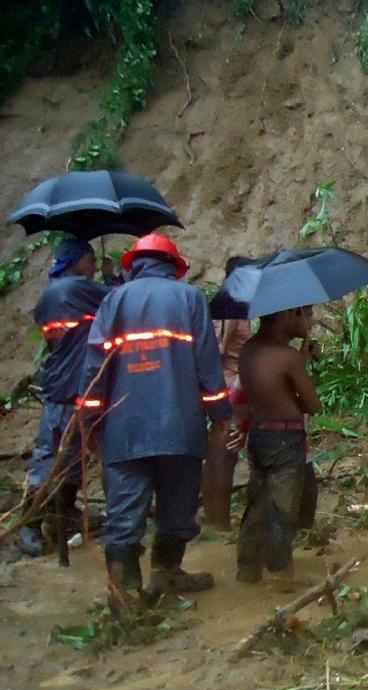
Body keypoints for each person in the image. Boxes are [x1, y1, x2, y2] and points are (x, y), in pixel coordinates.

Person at [79, 233, 232, 610]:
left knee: (125, 511)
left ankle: (126, 591)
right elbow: (207, 365)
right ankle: (167, 572)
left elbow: (95, 368)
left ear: (134, 264)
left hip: (124, 428)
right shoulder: (191, 298)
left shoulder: (112, 301)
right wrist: (221, 417)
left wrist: (89, 422)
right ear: (173, 266)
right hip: (181, 425)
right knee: (177, 507)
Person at [17, 239, 108, 556]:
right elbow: (120, 302)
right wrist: (113, 280)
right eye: (91, 259)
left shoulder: (52, 291)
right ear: (77, 260)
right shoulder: (76, 288)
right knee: (53, 455)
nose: (94, 265)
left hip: (67, 382)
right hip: (70, 385)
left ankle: (63, 512)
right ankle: (29, 522)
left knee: (72, 454)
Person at [234, 305, 320, 591]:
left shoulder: (248, 350)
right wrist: (301, 366)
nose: (306, 321)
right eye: (300, 314)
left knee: (256, 505)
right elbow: (312, 404)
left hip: (259, 436)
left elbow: (258, 394)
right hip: (285, 440)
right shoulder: (287, 357)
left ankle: (247, 571)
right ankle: (281, 579)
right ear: (285, 315)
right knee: (282, 511)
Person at [202, 255, 257, 531]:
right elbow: (219, 349)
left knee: (217, 452)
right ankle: (219, 522)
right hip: (231, 385)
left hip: (227, 384)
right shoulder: (232, 307)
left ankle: (213, 518)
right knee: (225, 453)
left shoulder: (225, 304)